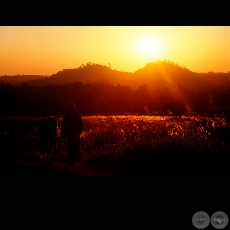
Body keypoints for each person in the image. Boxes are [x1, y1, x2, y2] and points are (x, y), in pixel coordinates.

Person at [61, 101, 83, 166]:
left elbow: (81, 125)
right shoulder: (66, 117)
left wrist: (79, 132)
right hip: (70, 136)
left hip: (76, 135)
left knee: (76, 148)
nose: (72, 108)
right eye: (71, 107)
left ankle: (73, 161)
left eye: (73, 106)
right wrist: (63, 136)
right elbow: (63, 127)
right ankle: (71, 162)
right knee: (71, 149)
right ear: (69, 108)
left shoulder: (77, 115)